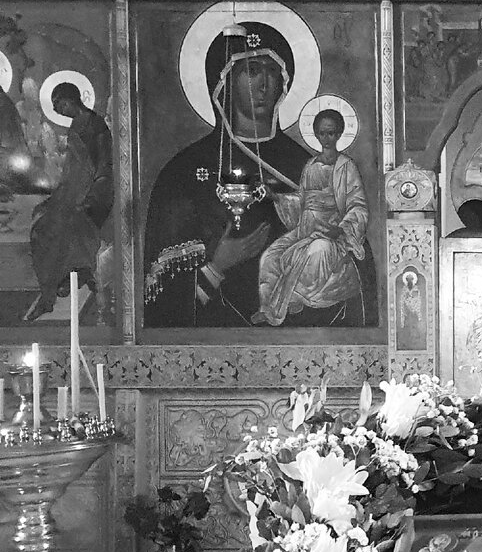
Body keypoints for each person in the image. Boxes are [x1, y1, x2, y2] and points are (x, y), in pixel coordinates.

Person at [142, 21, 373, 328]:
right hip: (212, 340)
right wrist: (217, 265)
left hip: (302, 339)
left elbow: (357, 254)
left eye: (272, 71)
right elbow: (158, 296)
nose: (264, 84)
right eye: (251, 71)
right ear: (225, 80)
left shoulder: (311, 165)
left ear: (284, 82)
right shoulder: (184, 171)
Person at [251, 108, 368, 326]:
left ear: (339, 134)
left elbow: (358, 206)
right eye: (322, 133)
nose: (326, 139)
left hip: (332, 233)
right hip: (304, 231)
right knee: (270, 256)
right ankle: (268, 309)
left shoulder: (346, 167)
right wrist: (275, 197)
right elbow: (302, 202)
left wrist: (341, 229)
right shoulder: (310, 166)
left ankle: (290, 301)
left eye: (331, 133)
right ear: (316, 135)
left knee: (317, 251)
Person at [24, 82, 113, 322]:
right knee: (40, 221)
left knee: (55, 227)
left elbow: (104, 166)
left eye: (59, 105)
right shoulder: (77, 125)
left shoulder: (96, 126)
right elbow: (73, 168)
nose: (59, 111)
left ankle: (60, 286)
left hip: (93, 194)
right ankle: (57, 284)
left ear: (70, 100)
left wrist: (90, 197)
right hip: (72, 192)